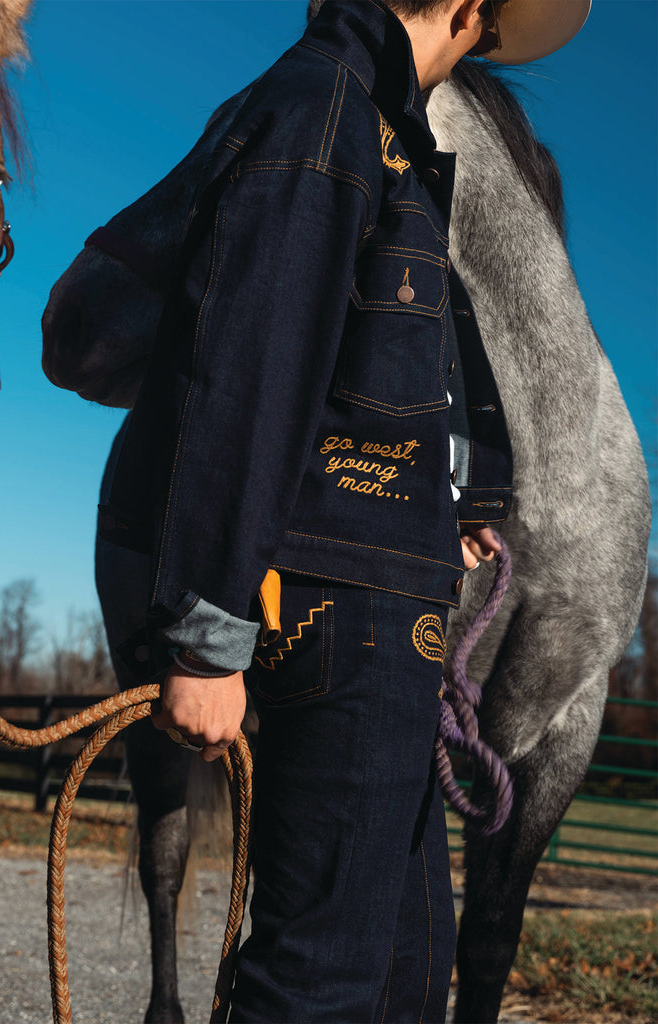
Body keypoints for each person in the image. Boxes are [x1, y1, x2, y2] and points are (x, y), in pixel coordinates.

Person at [94, 0, 590, 1019]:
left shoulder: (375, 132)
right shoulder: (325, 114)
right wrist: (207, 638)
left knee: (405, 962)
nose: (480, 51)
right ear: (462, 9)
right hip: (339, 608)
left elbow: (378, 362)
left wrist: (453, 492)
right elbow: (252, 376)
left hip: (386, 603)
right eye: (485, 33)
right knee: (319, 974)